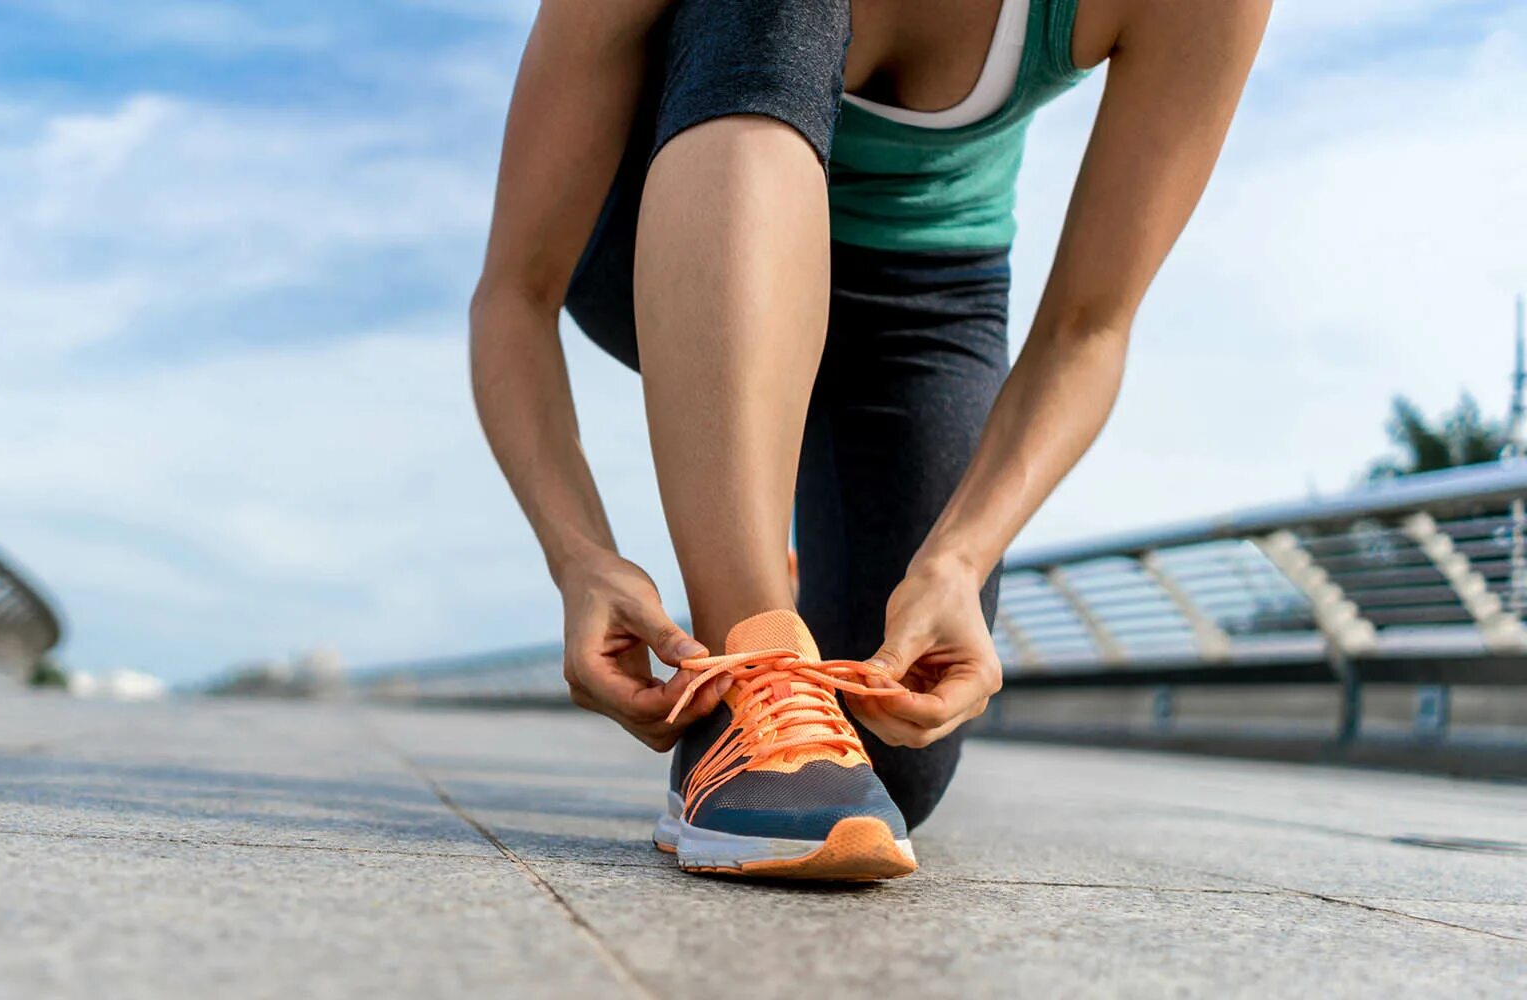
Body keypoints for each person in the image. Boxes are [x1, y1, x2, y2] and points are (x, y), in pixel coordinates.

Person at [469, 0, 1270, 880]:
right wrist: (578, 555)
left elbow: (1090, 329)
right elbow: (514, 294)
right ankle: (754, 638)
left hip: (915, 298)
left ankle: (778, 560)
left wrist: (960, 560)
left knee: (895, 763)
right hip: (660, 229)